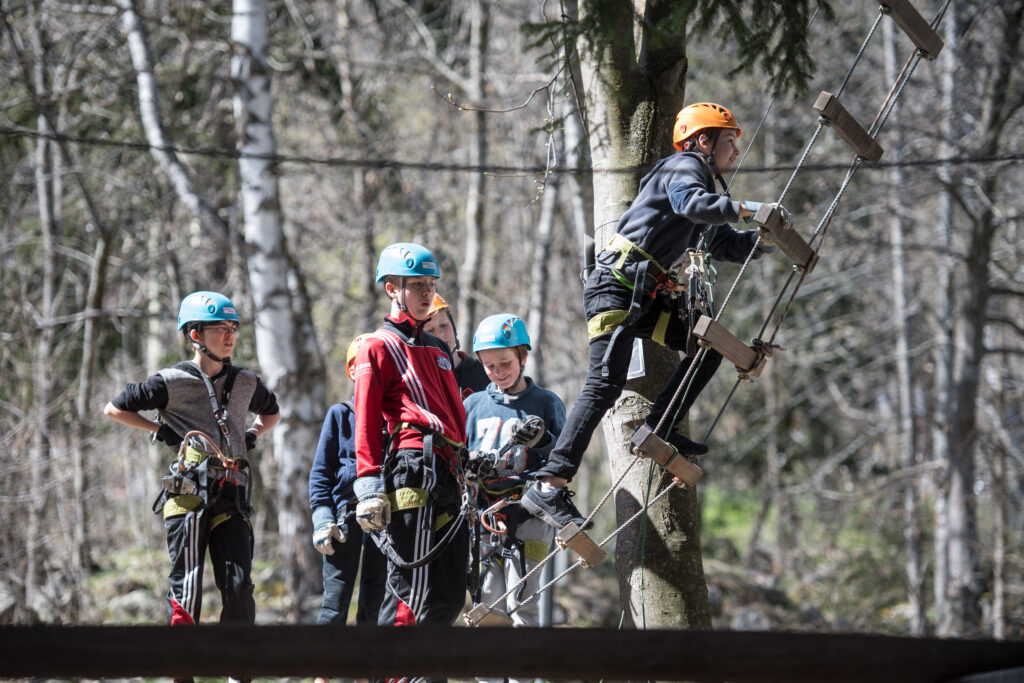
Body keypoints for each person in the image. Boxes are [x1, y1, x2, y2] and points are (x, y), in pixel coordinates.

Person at [521, 102, 781, 530]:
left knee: (707, 349)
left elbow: (727, 244)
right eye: (730, 142)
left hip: (642, 294)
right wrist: (749, 209)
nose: (736, 153)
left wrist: (770, 239)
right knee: (604, 386)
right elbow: (690, 203)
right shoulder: (682, 167)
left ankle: (660, 424)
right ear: (703, 141)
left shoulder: (706, 195)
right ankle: (548, 483)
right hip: (616, 287)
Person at [103, 291, 279, 681]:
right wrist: (159, 430)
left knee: (238, 586)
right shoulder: (172, 381)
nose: (230, 335)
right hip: (187, 495)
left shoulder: (246, 382)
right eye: (221, 328)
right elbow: (115, 408)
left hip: (231, 493)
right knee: (187, 589)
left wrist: (249, 435)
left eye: (233, 328)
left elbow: (273, 412)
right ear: (195, 334)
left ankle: (238, 673)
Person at [351, 242, 470, 635]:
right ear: (391, 288)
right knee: (411, 592)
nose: (427, 293)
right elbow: (366, 419)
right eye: (417, 284)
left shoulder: (437, 349)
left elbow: (455, 414)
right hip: (413, 466)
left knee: (451, 595)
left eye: (431, 284)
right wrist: (368, 486)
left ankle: (414, 672)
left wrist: (468, 461)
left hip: (450, 470)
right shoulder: (377, 346)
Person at [463, 313, 566, 637]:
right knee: (488, 607)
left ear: (523, 356)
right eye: (489, 366)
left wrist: (543, 441)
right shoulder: (474, 405)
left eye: (505, 363)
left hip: (530, 514)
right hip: (485, 518)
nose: (498, 372)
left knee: (524, 604)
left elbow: (565, 460)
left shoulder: (546, 402)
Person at [308, 333, 386, 629]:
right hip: (345, 517)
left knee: (375, 599)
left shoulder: (394, 419)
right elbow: (320, 473)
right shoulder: (341, 415)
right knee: (335, 602)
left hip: (384, 515)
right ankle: (324, 674)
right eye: (363, 366)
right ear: (352, 371)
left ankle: (365, 673)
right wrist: (322, 517)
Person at [422, 293, 489, 397]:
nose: (440, 334)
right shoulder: (419, 379)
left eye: (444, 325)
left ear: (452, 325)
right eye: (430, 330)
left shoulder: (485, 373)